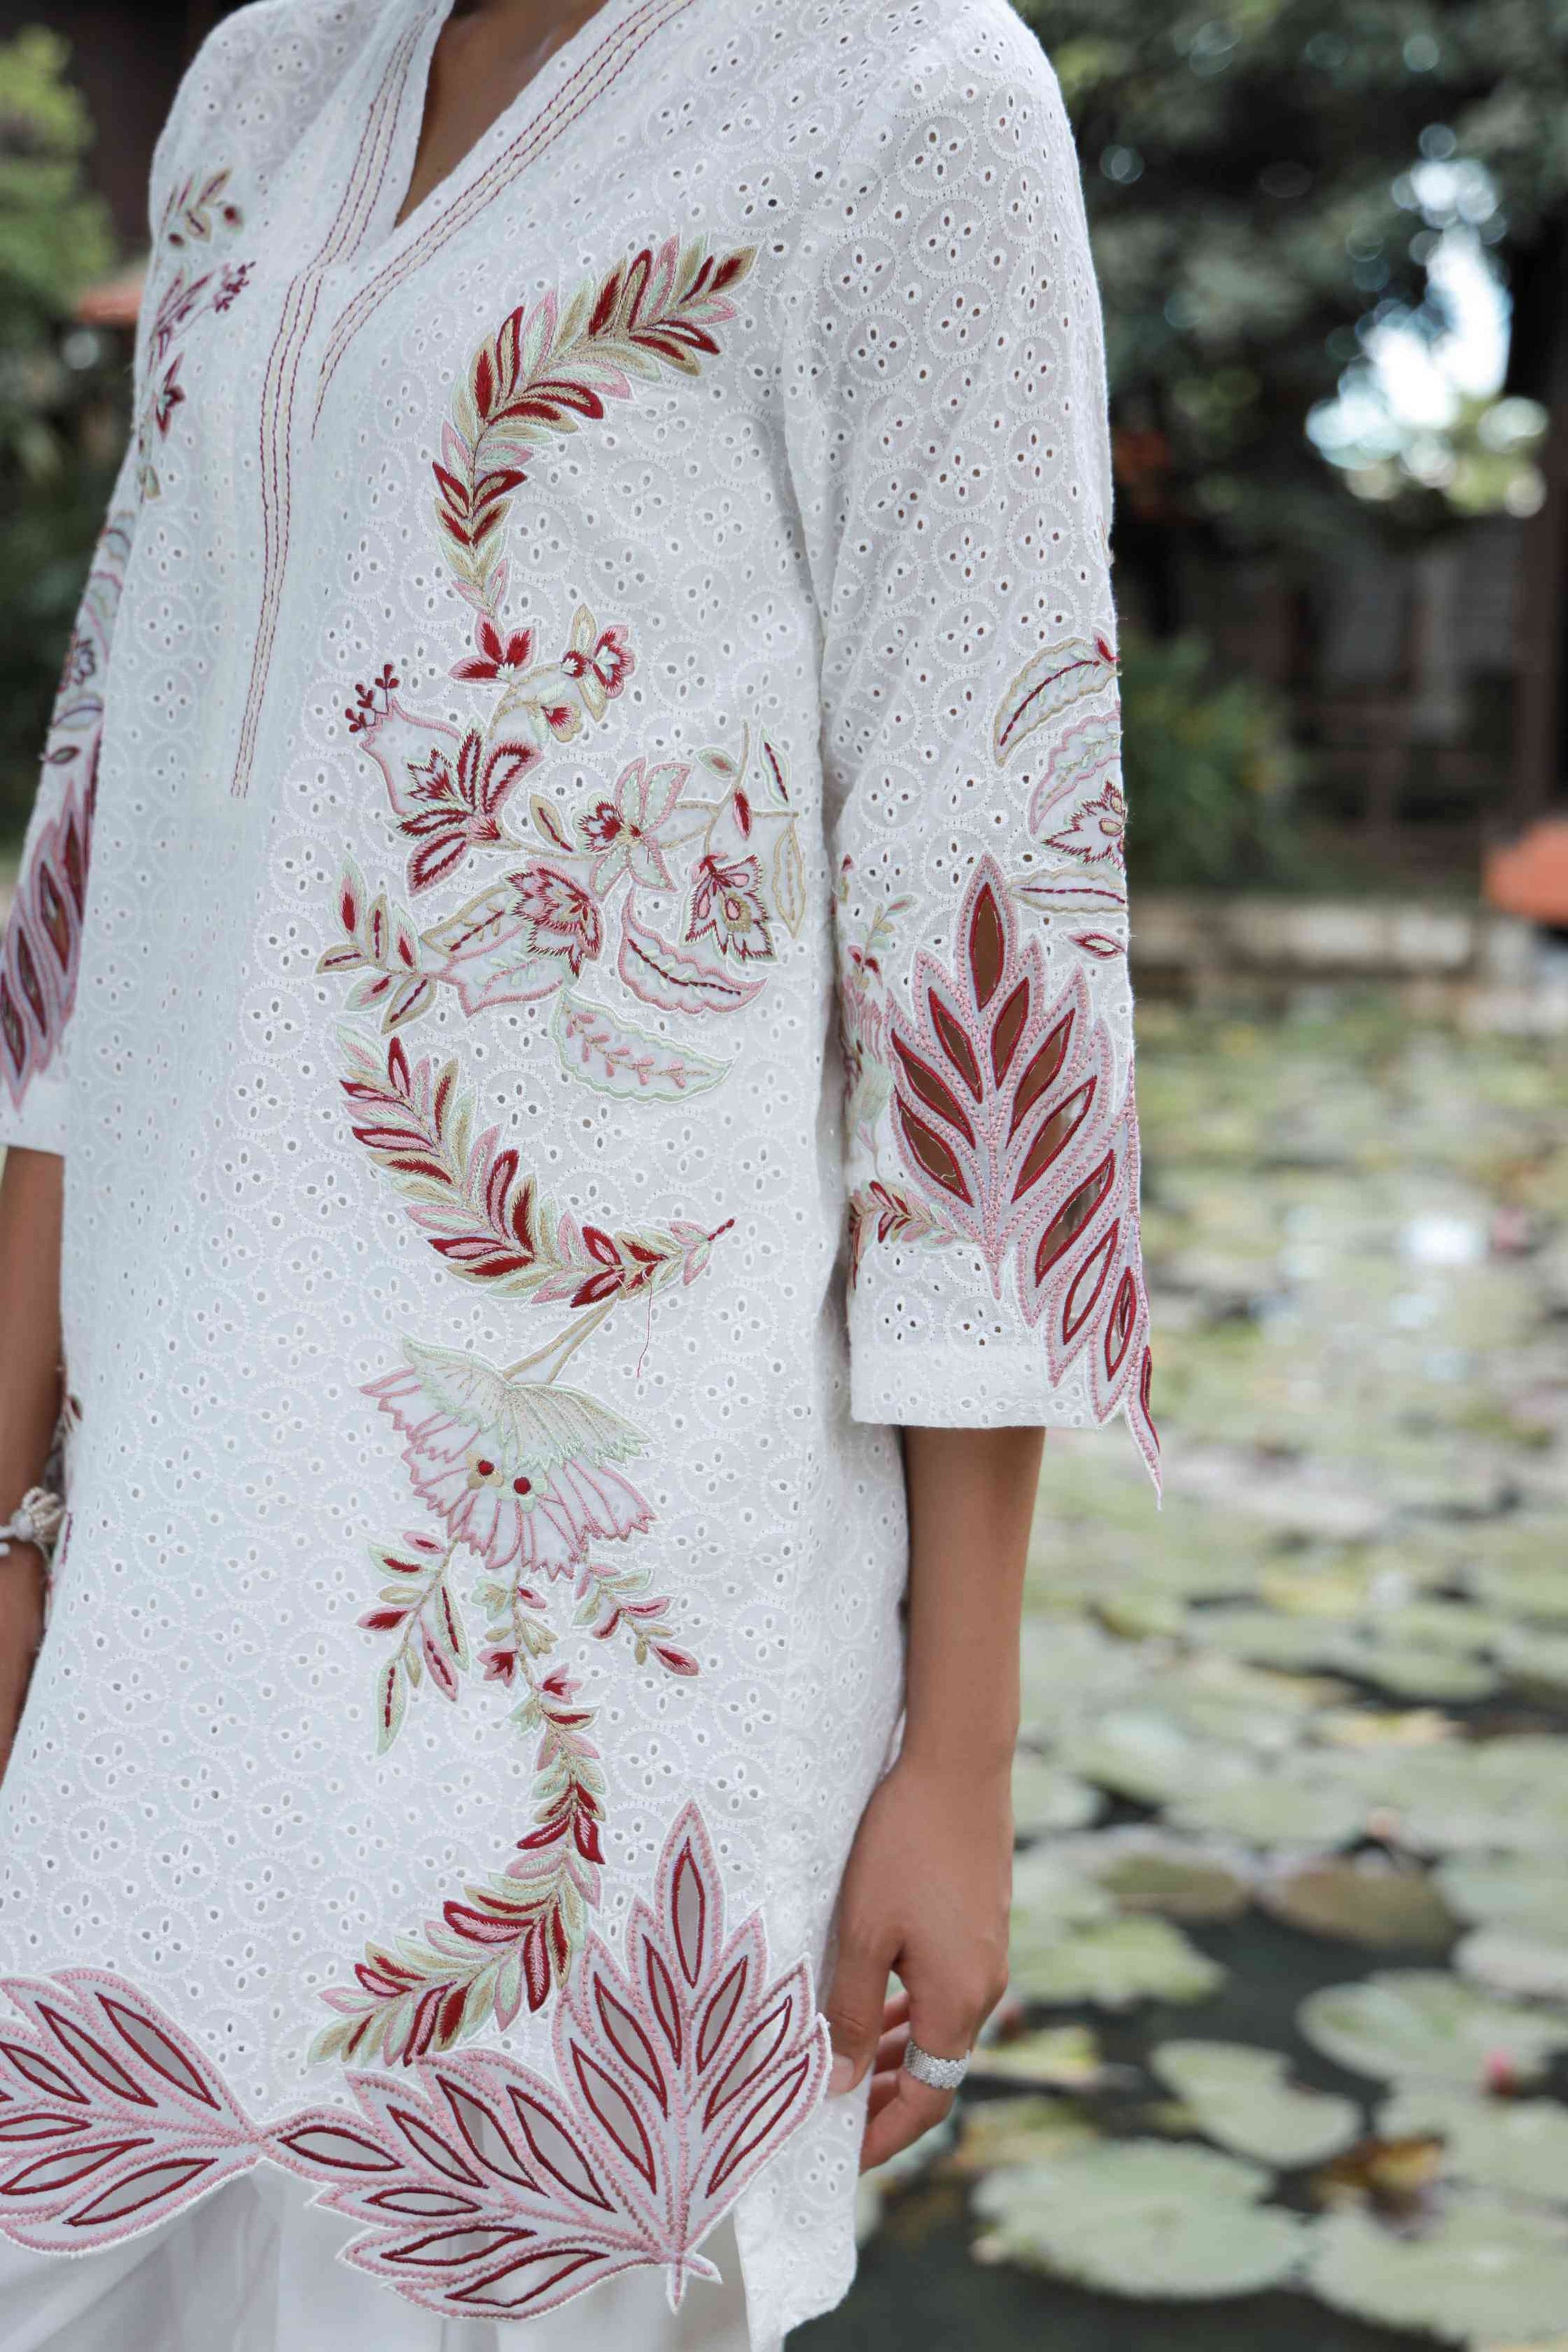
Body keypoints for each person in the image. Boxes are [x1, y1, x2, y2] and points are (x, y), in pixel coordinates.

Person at [0, 0, 1160, 2342]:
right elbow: (100, 855)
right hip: (160, 1542)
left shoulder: (910, 98)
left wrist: (962, 1746)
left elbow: (982, 925)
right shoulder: (260, 87)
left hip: (594, 1587)